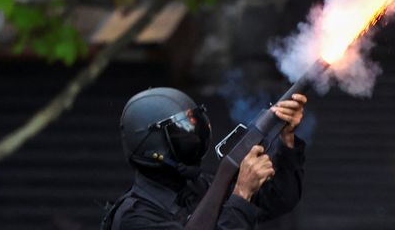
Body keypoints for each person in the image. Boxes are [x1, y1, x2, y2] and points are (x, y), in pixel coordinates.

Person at [101, 87, 307, 230]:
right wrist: (241, 193)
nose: (192, 136)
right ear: (153, 146)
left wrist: (286, 139)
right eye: (181, 131)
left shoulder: (199, 186)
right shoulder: (134, 217)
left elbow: (280, 199)